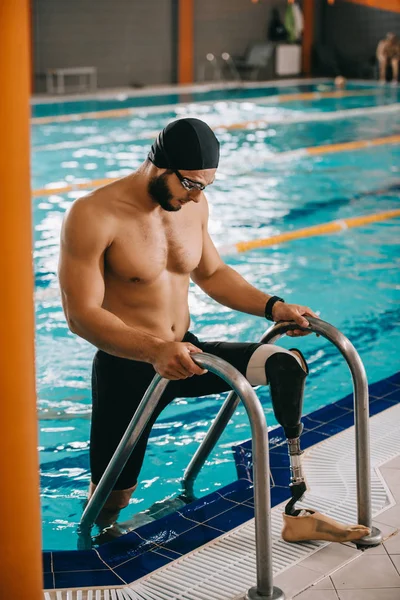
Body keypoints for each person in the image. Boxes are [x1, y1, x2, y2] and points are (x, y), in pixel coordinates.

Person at [58, 118, 317, 528]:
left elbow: (212, 274)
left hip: (187, 354)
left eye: (205, 187)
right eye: (191, 185)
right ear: (161, 167)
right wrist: (154, 350)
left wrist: (274, 307)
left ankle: (297, 496)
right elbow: (81, 315)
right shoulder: (93, 214)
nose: (197, 198)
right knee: (112, 499)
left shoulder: (192, 206)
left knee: (284, 363)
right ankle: (100, 544)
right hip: (128, 368)